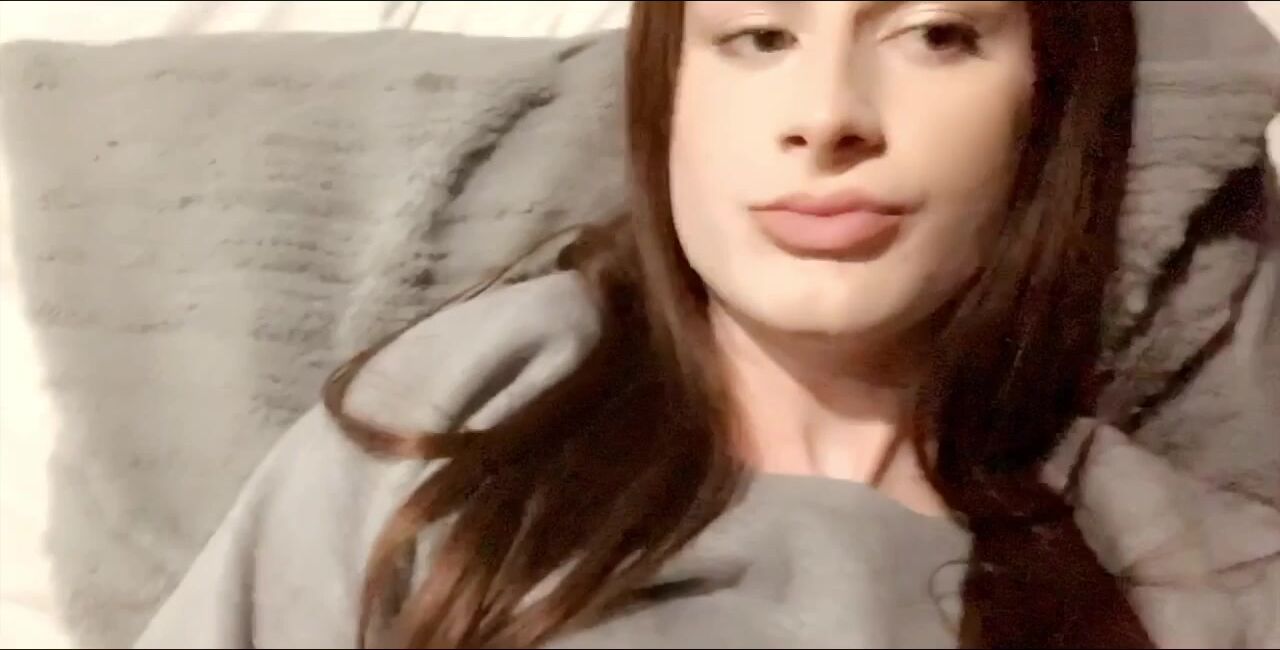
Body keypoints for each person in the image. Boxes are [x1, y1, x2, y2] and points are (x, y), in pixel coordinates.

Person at [135, 2, 1280, 648]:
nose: (826, 116)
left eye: (934, 33)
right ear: (665, 94)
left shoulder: (1177, 566)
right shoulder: (470, 402)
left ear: (1048, 100)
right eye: (757, 37)